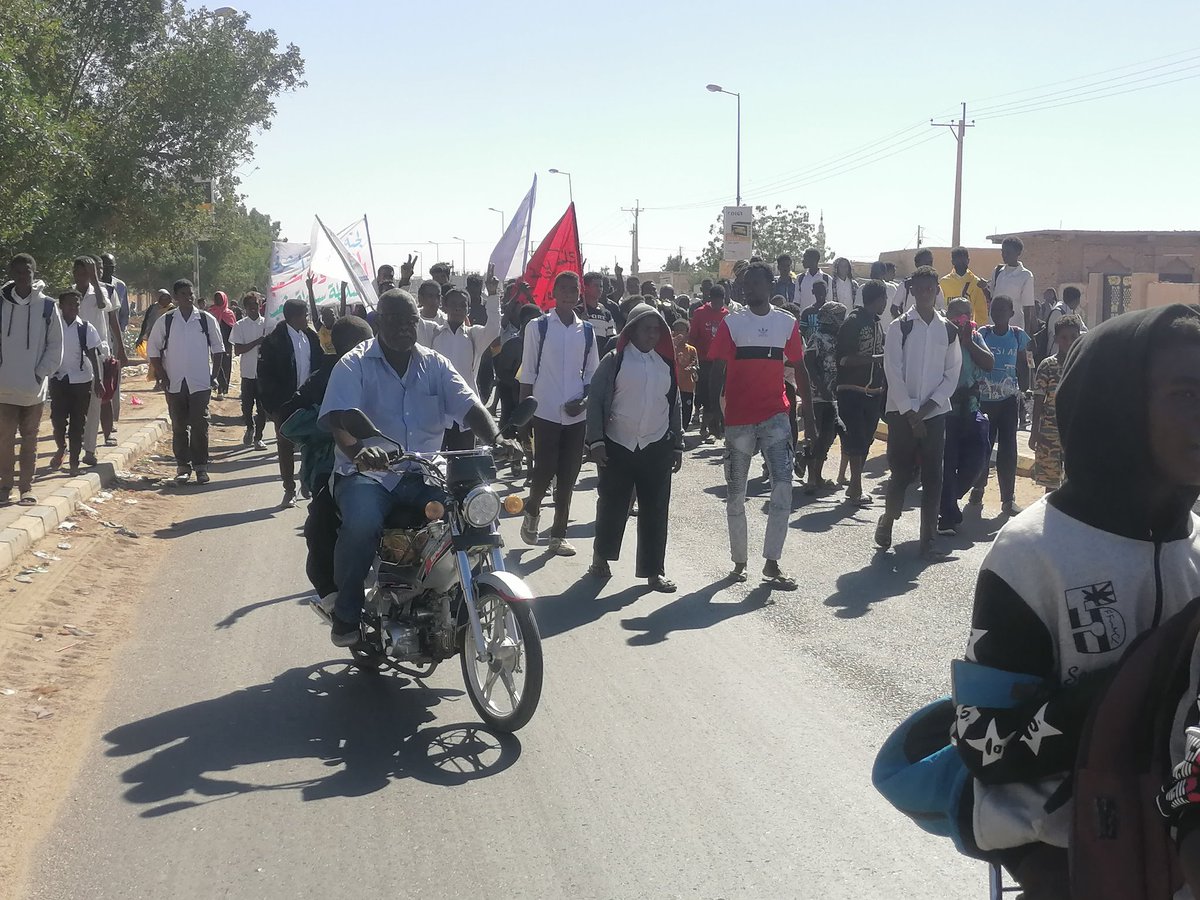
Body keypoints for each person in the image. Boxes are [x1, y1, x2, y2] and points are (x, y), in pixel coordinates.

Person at [951, 305, 1200, 897]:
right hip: (1067, 856)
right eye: (1187, 394)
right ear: (1117, 407)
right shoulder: (1033, 554)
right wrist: (1128, 694)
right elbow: (983, 743)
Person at [319, 289, 511, 646]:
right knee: (361, 524)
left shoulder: (435, 364)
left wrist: (497, 438)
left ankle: (458, 593)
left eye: (410, 321)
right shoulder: (355, 363)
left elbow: (469, 407)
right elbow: (339, 421)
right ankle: (346, 612)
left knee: (476, 511)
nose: (404, 329)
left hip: (425, 471)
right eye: (394, 320)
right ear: (379, 321)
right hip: (369, 475)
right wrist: (361, 452)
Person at [710, 260, 815, 588]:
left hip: (775, 416)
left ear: (770, 286)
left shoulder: (786, 323)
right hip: (739, 419)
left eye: (756, 282)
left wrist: (808, 415)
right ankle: (740, 561)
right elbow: (716, 369)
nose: (749, 287)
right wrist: (713, 411)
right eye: (745, 283)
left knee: (783, 488)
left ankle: (772, 563)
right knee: (736, 493)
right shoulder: (732, 324)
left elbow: (800, 368)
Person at [280, 315, 375, 616]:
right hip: (329, 466)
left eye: (367, 344)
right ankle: (332, 596)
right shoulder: (323, 378)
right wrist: (331, 422)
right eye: (357, 345)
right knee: (320, 524)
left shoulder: (386, 371)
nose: (364, 351)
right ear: (340, 346)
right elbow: (288, 422)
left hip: (389, 464)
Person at [585, 303, 684, 593]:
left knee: (655, 509)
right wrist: (596, 441)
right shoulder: (614, 360)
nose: (652, 335)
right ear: (631, 330)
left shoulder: (664, 364)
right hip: (617, 445)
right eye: (646, 329)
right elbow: (595, 402)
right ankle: (601, 557)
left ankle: (655, 572)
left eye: (657, 329)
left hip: (656, 445)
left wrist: (677, 444)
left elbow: (673, 404)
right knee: (612, 505)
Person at [875, 265, 962, 559]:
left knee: (933, 476)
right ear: (912, 290)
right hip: (902, 414)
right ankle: (888, 517)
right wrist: (911, 413)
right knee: (900, 474)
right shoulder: (901, 326)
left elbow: (952, 374)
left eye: (930, 288)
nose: (925, 293)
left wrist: (925, 410)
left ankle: (929, 540)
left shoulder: (948, 330)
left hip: (934, 414)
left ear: (937, 291)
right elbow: (893, 371)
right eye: (920, 288)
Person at [519, 272, 601, 556]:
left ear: (579, 294)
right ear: (554, 292)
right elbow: (528, 371)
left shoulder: (587, 331)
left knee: (568, 475)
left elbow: (592, 374)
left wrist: (586, 401)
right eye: (563, 289)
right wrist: (522, 415)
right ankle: (532, 507)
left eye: (573, 290)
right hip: (545, 411)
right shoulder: (538, 327)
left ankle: (558, 534)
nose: (568, 294)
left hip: (576, 415)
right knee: (544, 470)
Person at [146, 279, 224, 484]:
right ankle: (182, 466)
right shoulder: (167, 321)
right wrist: (162, 376)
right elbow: (153, 350)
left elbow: (218, 350)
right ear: (176, 297)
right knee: (179, 425)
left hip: (200, 383)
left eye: (191, 293)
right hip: (174, 383)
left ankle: (200, 467)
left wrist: (213, 376)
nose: (189, 297)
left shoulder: (206, 320)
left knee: (200, 425)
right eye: (184, 294)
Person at [0, 255, 63, 504]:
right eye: (18, 271)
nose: (23, 275)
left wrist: (40, 372)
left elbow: (55, 345)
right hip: (4, 386)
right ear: (11, 273)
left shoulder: (47, 306)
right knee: (4, 439)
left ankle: (26, 488)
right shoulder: (1, 303)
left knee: (30, 438)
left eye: (27, 271)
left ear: (34, 272)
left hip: (34, 387)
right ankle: (5, 485)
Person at [416, 269, 502, 450]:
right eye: (453, 304)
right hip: (437, 410)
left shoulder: (474, 335)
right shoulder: (432, 332)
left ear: (468, 310)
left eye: (462, 305)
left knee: (463, 462)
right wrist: (405, 282)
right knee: (435, 462)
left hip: (466, 411)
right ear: (444, 307)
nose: (457, 308)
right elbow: (412, 317)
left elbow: (494, 328)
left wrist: (493, 295)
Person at [936, 297, 995, 537]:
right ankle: (947, 516)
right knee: (948, 464)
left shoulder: (975, 336)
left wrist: (968, 342)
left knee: (978, 459)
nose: (960, 318)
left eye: (965, 314)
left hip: (971, 409)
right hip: (946, 411)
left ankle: (948, 498)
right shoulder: (940, 336)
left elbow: (989, 363)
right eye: (956, 313)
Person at [258, 298, 324, 507]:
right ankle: (289, 489)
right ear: (294, 317)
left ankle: (307, 478)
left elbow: (319, 367)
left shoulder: (311, 338)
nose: (307, 319)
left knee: (312, 442)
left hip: (309, 400)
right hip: (284, 403)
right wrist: (273, 406)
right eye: (305, 315)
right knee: (285, 445)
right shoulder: (273, 342)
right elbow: (264, 375)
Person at [970, 295, 1030, 515]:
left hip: (1008, 402)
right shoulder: (982, 334)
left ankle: (1007, 498)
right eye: (994, 310)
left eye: (1003, 310)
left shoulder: (1018, 336)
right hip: (984, 401)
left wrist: (1025, 394)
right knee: (983, 447)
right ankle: (978, 486)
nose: (998, 314)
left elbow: (1024, 366)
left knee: (1008, 449)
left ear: (1011, 313)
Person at [836, 279, 887, 506]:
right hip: (852, 390)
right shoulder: (853, 322)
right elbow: (844, 359)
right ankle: (855, 487)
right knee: (856, 437)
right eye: (884, 299)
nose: (886, 303)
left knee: (866, 439)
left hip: (873, 392)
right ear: (878, 299)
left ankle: (854, 484)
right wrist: (875, 359)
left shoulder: (878, 324)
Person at [72, 257, 121, 463]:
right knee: (74, 405)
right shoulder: (69, 294)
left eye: (89, 272)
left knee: (96, 403)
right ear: (74, 273)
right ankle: (72, 445)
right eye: (82, 273)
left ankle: (90, 450)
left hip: (98, 355)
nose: (85, 277)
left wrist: (94, 280)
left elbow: (103, 306)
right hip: (73, 356)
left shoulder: (103, 291)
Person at [49, 290, 101, 476]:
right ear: (61, 306)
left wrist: (98, 380)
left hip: (81, 380)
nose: (74, 307)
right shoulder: (53, 327)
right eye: (70, 304)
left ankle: (74, 463)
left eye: (77, 304)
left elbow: (93, 355)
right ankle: (61, 448)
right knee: (58, 420)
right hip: (58, 379)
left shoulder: (85, 328)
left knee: (78, 423)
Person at [1029, 314, 1082, 493]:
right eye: (1064, 337)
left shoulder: (1081, 364)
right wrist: (1034, 431)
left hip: (1075, 433)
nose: (1069, 341)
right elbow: (1038, 399)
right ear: (1057, 339)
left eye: (1074, 337)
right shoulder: (1048, 366)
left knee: (1073, 482)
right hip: (1049, 433)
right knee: (1050, 482)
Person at [802, 299, 847, 494]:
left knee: (828, 436)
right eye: (838, 317)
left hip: (833, 395)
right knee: (817, 435)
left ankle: (817, 474)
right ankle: (812, 478)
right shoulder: (817, 337)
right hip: (818, 396)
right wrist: (821, 386)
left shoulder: (838, 338)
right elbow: (809, 363)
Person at [688, 283, 730, 444]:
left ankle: (715, 428)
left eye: (722, 300)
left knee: (717, 396)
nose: (719, 303)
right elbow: (692, 337)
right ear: (710, 299)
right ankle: (705, 427)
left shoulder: (726, 315)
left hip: (720, 363)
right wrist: (694, 359)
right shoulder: (699, 313)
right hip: (703, 362)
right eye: (716, 300)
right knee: (705, 395)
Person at [229, 292, 271, 450]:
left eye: (256, 305)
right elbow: (238, 350)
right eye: (250, 307)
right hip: (247, 372)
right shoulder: (240, 326)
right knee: (247, 407)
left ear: (260, 306)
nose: (254, 309)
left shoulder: (267, 324)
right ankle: (249, 426)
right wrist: (256, 342)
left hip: (264, 374)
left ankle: (258, 438)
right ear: (246, 308)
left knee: (262, 408)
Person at [100, 253, 128, 423]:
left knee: (114, 378)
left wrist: (120, 337)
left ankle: (113, 419)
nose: (109, 270)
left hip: (115, 336)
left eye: (112, 267)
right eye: (106, 266)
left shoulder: (120, 286)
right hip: (97, 335)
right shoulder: (91, 286)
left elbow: (123, 314)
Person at [988, 237, 1037, 333]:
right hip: (994, 326)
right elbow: (992, 297)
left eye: (1008, 252)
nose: (1004, 255)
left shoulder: (1026, 275)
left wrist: (1026, 335)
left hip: (1014, 327)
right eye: (1003, 251)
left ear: (1018, 253)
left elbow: (1027, 308)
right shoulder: (998, 271)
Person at [940, 247, 991, 326]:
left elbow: (981, 311)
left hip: (968, 329)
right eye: (958, 259)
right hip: (948, 328)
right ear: (953, 261)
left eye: (963, 259)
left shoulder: (976, 282)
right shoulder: (943, 282)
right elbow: (940, 308)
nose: (961, 262)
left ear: (968, 261)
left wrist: (979, 329)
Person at [890, 249, 947, 317]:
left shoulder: (935, 286)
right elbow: (894, 308)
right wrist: (903, 322)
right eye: (925, 262)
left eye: (930, 262)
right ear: (916, 264)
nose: (928, 265)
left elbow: (942, 309)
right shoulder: (906, 285)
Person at [578, 271, 617, 354]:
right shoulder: (578, 311)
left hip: (601, 358)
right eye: (595, 286)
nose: (599, 289)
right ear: (585, 288)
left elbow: (611, 338)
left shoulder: (606, 313)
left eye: (601, 286)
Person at [671, 319, 698, 430]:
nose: (679, 332)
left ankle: (682, 434)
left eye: (681, 330)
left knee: (686, 413)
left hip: (687, 387)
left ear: (687, 332)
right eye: (676, 330)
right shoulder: (669, 348)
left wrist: (693, 368)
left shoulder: (691, 350)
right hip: (673, 386)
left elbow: (696, 365)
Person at [209, 291, 237, 399]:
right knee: (217, 365)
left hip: (226, 344)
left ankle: (224, 388)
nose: (218, 301)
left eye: (220, 298)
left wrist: (230, 346)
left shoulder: (229, 314)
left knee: (225, 366)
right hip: (214, 344)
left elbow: (233, 331)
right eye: (216, 298)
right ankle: (218, 387)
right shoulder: (211, 312)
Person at [796, 248, 832, 313]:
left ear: (813, 260)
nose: (802, 261)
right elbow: (797, 301)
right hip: (804, 319)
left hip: (821, 319)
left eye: (805, 258)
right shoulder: (800, 278)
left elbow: (829, 302)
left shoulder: (826, 278)